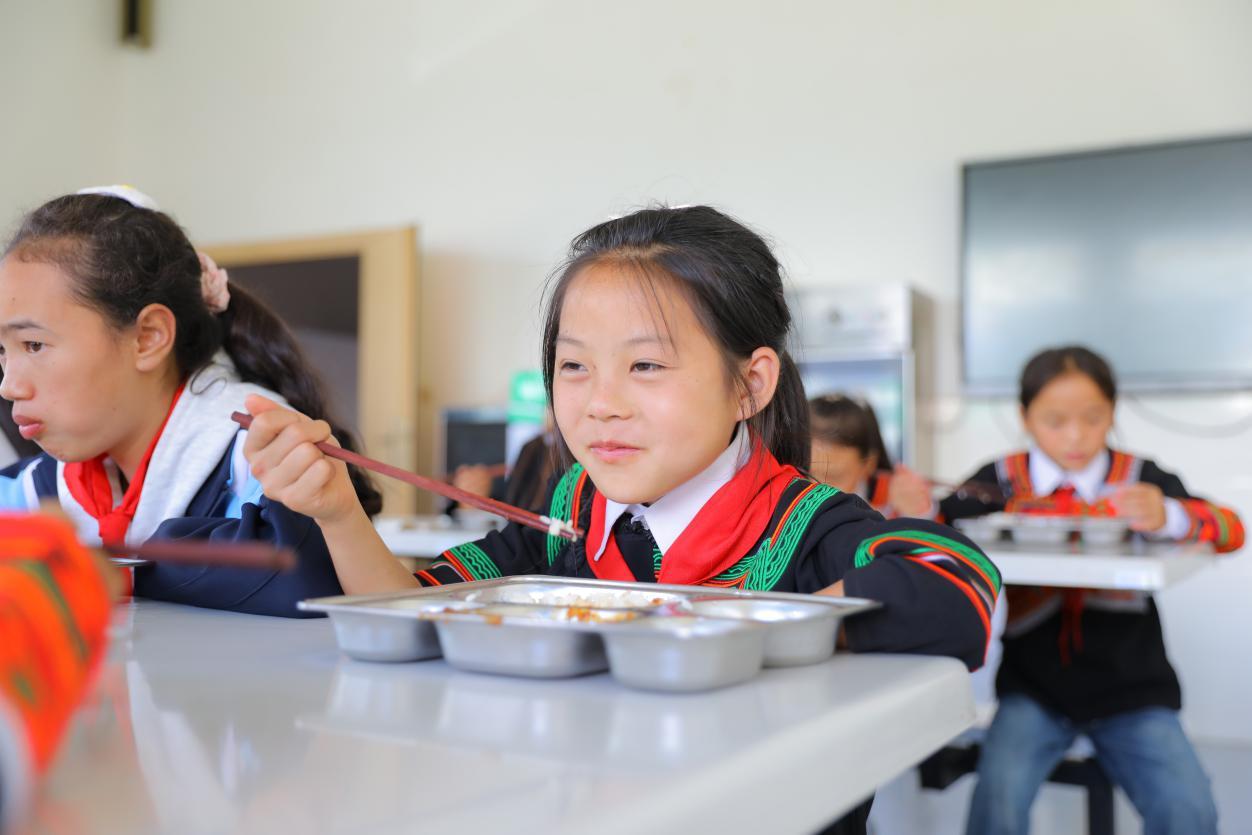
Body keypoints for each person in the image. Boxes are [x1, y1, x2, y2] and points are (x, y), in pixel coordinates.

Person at [0, 187, 380, 616]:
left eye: (33, 345)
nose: (8, 386)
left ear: (148, 337)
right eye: (2, 352)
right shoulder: (31, 488)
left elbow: (309, 588)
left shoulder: (266, 457)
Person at [947, 346, 1238, 835]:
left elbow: (1231, 530)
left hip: (1134, 689)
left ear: (1113, 411)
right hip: (1032, 689)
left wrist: (1170, 514)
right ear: (1024, 417)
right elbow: (936, 527)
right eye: (1054, 421)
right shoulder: (997, 482)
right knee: (997, 806)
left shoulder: (1141, 477)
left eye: (1093, 418)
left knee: (1189, 810)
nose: (1076, 436)